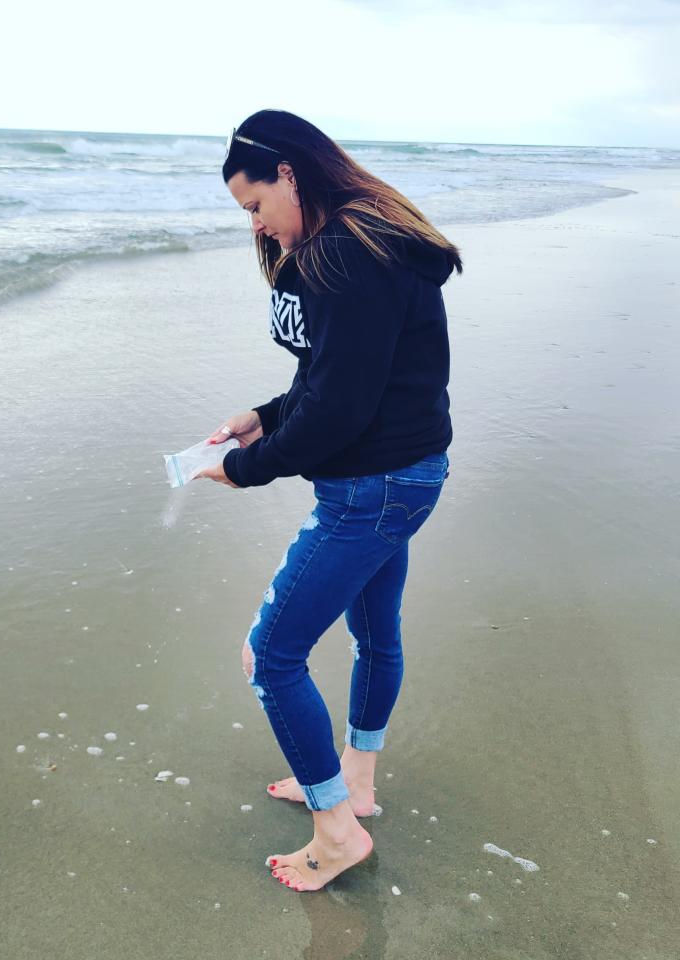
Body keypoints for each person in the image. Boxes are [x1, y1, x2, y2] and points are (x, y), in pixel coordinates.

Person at [196, 109, 462, 893]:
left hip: (373, 489)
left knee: (271, 656)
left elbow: (342, 407)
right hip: (406, 474)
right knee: (376, 633)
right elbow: (335, 374)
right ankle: (358, 782)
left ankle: (335, 830)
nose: (258, 226)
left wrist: (246, 469)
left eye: (255, 206)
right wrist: (263, 416)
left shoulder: (348, 253)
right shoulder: (357, 238)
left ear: (289, 172)